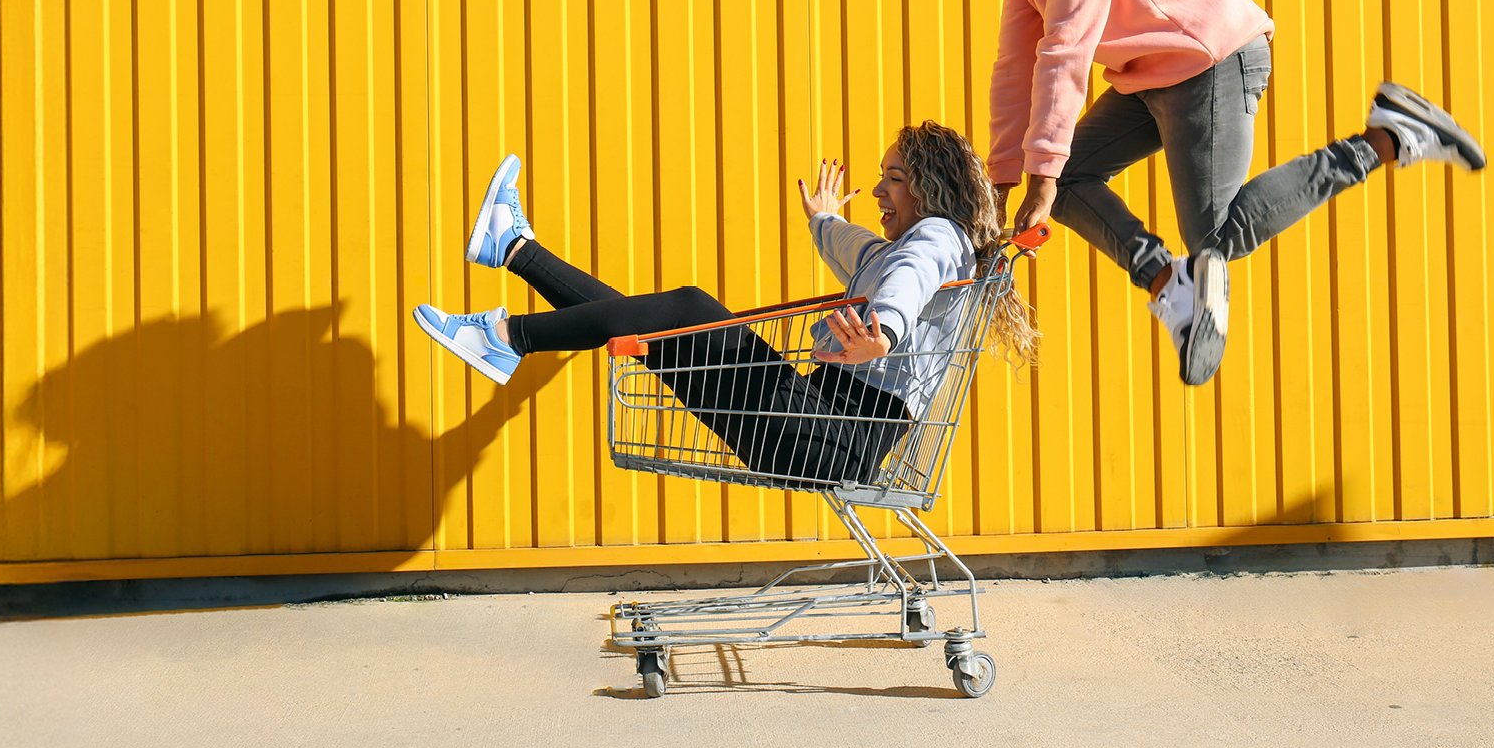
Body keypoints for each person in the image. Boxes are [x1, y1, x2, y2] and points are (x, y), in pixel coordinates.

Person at [966, 0, 1486, 386]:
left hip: (1207, 58)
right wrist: (1000, 184)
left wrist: (1039, 176)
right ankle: (1170, 283)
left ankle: (1388, 138)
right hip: (1148, 73)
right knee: (1074, 176)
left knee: (1215, 234)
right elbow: (1016, 61)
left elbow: (1067, 42)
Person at [415, 122, 1038, 482]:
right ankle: (514, 253)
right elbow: (857, 248)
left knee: (689, 307)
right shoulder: (891, 252)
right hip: (812, 422)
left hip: (834, 432)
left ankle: (506, 336)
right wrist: (822, 220)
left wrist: (887, 333)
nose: (877, 188)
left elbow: (908, 280)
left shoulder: (937, 238)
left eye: (894, 177)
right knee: (665, 329)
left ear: (932, 187)